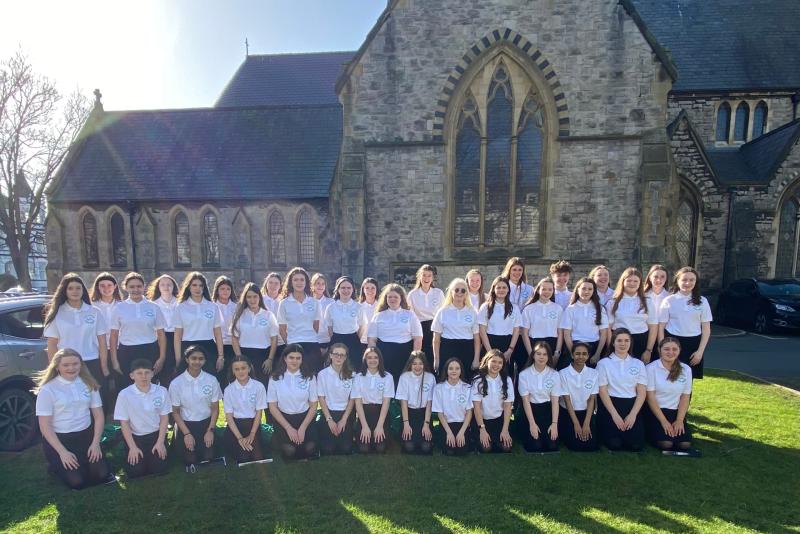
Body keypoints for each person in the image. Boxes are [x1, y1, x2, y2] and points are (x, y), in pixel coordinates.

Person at [35, 348, 113, 489]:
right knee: (77, 482)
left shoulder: (89, 383)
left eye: (75, 364)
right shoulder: (48, 390)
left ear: (81, 365)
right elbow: (44, 426)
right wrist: (62, 452)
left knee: (101, 475)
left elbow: (99, 416)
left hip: (86, 436)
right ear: (57, 366)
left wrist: (95, 444)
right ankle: (56, 465)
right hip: (60, 440)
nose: (71, 368)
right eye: (66, 365)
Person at [44, 273, 109, 387]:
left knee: (96, 400)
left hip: (92, 362)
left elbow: (102, 342)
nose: (75, 291)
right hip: (67, 365)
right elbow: (52, 344)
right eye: (70, 288)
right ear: (65, 291)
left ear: (83, 290)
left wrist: (104, 367)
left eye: (78, 288)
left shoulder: (95, 312)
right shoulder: (57, 313)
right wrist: (54, 369)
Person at [114, 358, 170, 478]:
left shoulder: (161, 391)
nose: (143, 376)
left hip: (156, 435)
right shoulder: (124, 394)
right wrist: (132, 447)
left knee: (159, 469)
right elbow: (124, 423)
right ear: (132, 376)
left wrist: (160, 442)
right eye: (139, 373)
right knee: (136, 472)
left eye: (147, 372)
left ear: (152, 373)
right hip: (136, 437)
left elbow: (164, 418)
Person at [109, 272, 167, 388]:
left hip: (150, 350)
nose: (136, 289)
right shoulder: (119, 308)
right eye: (132, 287)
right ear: (125, 287)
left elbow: (161, 334)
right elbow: (114, 336)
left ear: (144, 286)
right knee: (127, 386)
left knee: (150, 386)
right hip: (127, 352)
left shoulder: (154, 307)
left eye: (139, 286)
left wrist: (162, 357)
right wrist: (115, 361)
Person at [169, 345, 222, 469]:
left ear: (204, 360)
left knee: (209, 457)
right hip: (186, 425)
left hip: (206, 424)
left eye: (201, 359)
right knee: (190, 460)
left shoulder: (212, 380)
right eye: (193, 358)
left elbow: (215, 408)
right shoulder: (176, 383)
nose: (197, 362)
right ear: (187, 359)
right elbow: (175, 412)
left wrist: (210, 430)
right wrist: (187, 434)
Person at [596, 329, 646, 451]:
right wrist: (615, 415)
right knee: (614, 444)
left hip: (631, 406)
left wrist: (633, 415)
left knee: (636, 446)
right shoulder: (603, 363)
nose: (623, 344)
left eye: (626, 340)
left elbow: (642, 392)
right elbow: (603, 391)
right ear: (613, 343)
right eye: (619, 340)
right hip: (611, 405)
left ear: (630, 342)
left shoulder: (638, 364)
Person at [658, 267, 712, 379]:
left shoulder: (703, 301)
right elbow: (661, 327)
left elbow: (706, 329)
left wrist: (700, 352)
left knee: (687, 380)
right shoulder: (669, 300)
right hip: (672, 343)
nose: (688, 283)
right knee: (669, 378)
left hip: (693, 345)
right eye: (684, 279)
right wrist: (662, 349)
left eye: (692, 280)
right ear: (677, 281)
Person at [267, 344, 319, 461]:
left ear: (302, 360)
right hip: (284, 419)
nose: (294, 361)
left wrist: (303, 428)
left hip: (304, 418)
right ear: (285, 358)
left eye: (298, 358)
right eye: (291, 357)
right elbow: (272, 407)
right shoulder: (275, 378)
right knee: (290, 451)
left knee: (310, 448)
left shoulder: (309, 377)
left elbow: (313, 405)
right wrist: (288, 428)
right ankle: (277, 439)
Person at [367, 284, 422, 385]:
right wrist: (373, 357)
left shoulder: (410, 315)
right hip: (384, 354)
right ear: (385, 298)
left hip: (405, 353)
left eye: (396, 297)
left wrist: (415, 357)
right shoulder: (378, 316)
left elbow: (418, 338)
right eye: (390, 297)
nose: (392, 299)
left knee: (403, 382)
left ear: (401, 298)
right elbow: (371, 339)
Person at [645, 337, 693, 451]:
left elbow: (685, 396)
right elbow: (650, 397)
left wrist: (680, 420)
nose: (670, 352)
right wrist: (664, 422)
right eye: (666, 349)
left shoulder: (686, 369)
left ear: (679, 350)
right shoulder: (651, 368)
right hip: (656, 411)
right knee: (666, 444)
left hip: (675, 412)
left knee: (684, 445)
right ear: (659, 350)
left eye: (674, 349)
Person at [173, 272, 224, 376]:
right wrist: (178, 358)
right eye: (194, 285)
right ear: (189, 287)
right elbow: (177, 335)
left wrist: (220, 356)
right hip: (187, 347)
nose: (198, 288)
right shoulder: (181, 307)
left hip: (209, 347)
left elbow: (218, 333)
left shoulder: (213, 307)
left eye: (201, 285)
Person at [276, 267, 324, 374]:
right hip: (294, 345)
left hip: (312, 345)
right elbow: (282, 329)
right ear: (290, 282)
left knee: (314, 376)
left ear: (306, 282)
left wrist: (308, 335)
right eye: (295, 280)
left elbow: (316, 325)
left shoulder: (314, 302)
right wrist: (291, 341)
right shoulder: (284, 303)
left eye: (302, 280)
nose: (299, 282)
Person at [517, 342, 562, 453]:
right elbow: (526, 401)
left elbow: (555, 401)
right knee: (535, 446)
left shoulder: (554, 375)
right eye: (538, 354)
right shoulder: (524, 375)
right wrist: (532, 424)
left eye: (545, 354)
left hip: (548, 412)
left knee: (552, 446)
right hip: (531, 412)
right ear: (533, 355)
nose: (541, 357)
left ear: (549, 356)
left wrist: (554, 424)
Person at [606, 267, 658, 362]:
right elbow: (608, 328)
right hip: (619, 342)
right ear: (623, 282)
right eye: (629, 280)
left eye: (635, 281)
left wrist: (648, 350)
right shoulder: (612, 302)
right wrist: (611, 348)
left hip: (641, 342)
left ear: (640, 283)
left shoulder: (648, 302)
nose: (632, 283)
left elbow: (653, 327)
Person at [230, 282, 279, 385]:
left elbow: (274, 338)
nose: (252, 300)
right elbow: (234, 338)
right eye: (249, 297)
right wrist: (240, 358)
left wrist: (270, 359)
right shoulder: (239, 315)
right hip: (245, 355)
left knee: (263, 386)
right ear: (245, 298)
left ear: (260, 297)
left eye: (255, 296)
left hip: (264, 356)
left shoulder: (269, 315)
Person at [223, 356, 268, 464]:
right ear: (233, 371)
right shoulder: (229, 390)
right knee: (243, 458)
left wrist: (252, 434)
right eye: (237, 369)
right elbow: (229, 416)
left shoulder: (258, 386)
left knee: (258, 456)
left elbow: (259, 413)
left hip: (253, 425)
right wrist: (239, 438)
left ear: (249, 369)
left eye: (243, 368)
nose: (240, 371)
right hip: (236, 426)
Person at [431, 278, 480, 376]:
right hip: (447, 349)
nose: (459, 293)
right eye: (456, 290)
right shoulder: (442, 311)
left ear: (466, 293)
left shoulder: (472, 312)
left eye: (463, 290)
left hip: (467, 350)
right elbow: (436, 339)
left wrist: (476, 359)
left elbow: (477, 340)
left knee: (466, 381)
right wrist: (436, 359)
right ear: (451, 292)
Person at [558, 342, 599, 452]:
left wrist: (586, 423)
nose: (581, 356)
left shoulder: (594, 373)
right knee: (574, 446)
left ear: (588, 356)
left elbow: (592, 399)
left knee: (591, 445)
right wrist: (576, 424)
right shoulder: (563, 373)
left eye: (584, 354)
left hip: (585, 413)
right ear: (572, 355)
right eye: (577, 353)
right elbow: (567, 400)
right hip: (568, 412)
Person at [352, 347, 394, 454]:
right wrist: (365, 426)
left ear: (380, 359)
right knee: (363, 449)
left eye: (376, 357)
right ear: (365, 360)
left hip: (381, 414)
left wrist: (380, 426)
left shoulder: (387, 377)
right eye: (369, 358)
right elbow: (358, 403)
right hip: (364, 414)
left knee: (380, 448)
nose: (372, 360)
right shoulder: (358, 377)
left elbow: (386, 402)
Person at [316, 344, 356, 455]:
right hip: (328, 414)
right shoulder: (322, 374)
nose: (339, 357)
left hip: (346, 414)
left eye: (342, 355)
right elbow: (321, 398)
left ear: (346, 357)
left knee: (346, 449)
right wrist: (329, 419)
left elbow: (352, 399)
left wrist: (344, 420)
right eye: (336, 354)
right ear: (330, 356)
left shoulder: (352, 375)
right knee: (328, 449)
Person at [471, 349, 514, 453]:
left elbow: (508, 407)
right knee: (486, 448)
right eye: (493, 361)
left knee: (506, 447)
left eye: (500, 362)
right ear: (487, 361)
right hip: (481, 422)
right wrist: (482, 429)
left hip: (499, 421)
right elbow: (476, 407)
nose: (496, 365)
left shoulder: (507, 380)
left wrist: (505, 429)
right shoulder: (478, 380)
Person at [478, 276, 522, 376]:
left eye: (504, 287)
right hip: (489, 343)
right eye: (498, 287)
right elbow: (482, 330)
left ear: (508, 290)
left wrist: (510, 350)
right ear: (493, 289)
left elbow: (516, 330)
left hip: (507, 345)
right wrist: (489, 351)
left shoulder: (514, 308)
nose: (501, 290)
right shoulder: (485, 307)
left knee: (506, 375)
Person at [560, 278, 608, 366]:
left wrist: (597, 354)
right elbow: (567, 334)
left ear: (594, 291)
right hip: (575, 346)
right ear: (578, 290)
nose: (586, 291)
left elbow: (604, 334)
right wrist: (573, 353)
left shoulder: (600, 309)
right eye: (583, 288)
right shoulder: (570, 309)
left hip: (594, 348)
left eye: (590, 289)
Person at [395, 351, 435, 455]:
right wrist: (406, 424)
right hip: (409, 414)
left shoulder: (430, 378)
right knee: (409, 447)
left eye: (420, 363)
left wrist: (426, 424)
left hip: (423, 414)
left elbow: (429, 403)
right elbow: (403, 402)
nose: (417, 367)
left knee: (425, 448)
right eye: (414, 364)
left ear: (424, 365)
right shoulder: (404, 377)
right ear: (410, 365)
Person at [432, 358, 473, 455]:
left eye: (457, 368)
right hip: (446, 425)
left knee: (461, 452)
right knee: (449, 451)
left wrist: (462, 432)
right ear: (446, 370)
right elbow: (440, 413)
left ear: (461, 371)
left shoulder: (467, 388)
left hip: (462, 425)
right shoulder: (439, 388)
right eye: (451, 368)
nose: (454, 371)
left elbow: (469, 412)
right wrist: (449, 433)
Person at [521, 278, 564, 368]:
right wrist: (531, 353)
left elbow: (560, 333)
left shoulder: (558, 308)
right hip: (533, 344)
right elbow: (524, 333)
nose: (547, 292)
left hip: (552, 344)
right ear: (538, 290)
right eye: (544, 289)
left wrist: (557, 353)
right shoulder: (529, 308)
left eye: (550, 289)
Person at [325, 276, 366, 368]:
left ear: (353, 290)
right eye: (343, 288)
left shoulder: (358, 307)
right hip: (336, 340)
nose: (346, 290)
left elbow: (362, 326)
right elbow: (329, 327)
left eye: (348, 288)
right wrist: (336, 338)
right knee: (336, 367)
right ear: (338, 289)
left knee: (354, 368)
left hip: (353, 341)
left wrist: (354, 338)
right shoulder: (331, 307)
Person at [407, 264, 445, 360]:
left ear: (432, 278)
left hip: (435, 328)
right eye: (424, 275)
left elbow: (443, 313)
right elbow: (410, 315)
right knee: (420, 357)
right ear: (419, 276)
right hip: (419, 328)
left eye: (429, 275)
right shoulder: (412, 294)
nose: (426, 278)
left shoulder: (438, 293)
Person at [148, 274, 179, 387]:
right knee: (159, 368)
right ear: (158, 287)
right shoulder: (153, 305)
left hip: (177, 337)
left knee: (173, 370)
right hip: (159, 338)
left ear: (174, 287)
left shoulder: (180, 303)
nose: (166, 287)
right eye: (163, 284)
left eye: (169, 284)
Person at [212, 276, 238, 389]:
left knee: (233, 377)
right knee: (220, 378)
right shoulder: (212, 306)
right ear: (217, 290)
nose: (225, 291)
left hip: (233, 345)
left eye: (228, 289)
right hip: (216, 346)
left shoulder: (236, 307)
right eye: (222, 288)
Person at [261, 272, 286, 357]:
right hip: (265, 341)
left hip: (281, 342)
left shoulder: (284, 301)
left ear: (280, 285)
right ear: (266, 284)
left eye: (276, 283)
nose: (273, 285)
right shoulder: (260, 300)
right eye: (270, 282)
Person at [312, 273, 335, 354]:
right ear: (313, 285)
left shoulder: (331, 302)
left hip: (328, 340)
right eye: (318, 283)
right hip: (313, 340)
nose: (320, 286)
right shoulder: (308, 302)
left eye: (323, 284)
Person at [358, 277, 380, 361]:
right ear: (363, 290)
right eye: (367, 288)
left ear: (376, 289)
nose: (370, 290)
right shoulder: (358, 307)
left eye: (373, 288)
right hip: (361, 343)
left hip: (377, 343)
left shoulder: (381, 307)